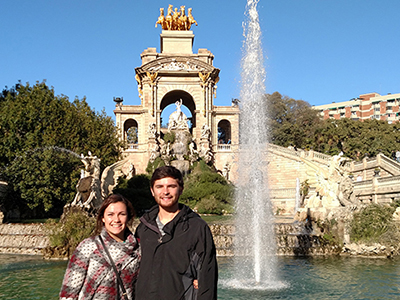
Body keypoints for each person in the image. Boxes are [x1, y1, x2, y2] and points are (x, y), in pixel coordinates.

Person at [135, 166, 218, 300]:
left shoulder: (197, 227)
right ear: (152, 191)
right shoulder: (144, 228)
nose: (165, 192)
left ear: (180, 190)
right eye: (159, 186)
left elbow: (207, 277)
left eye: (171, 186)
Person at [60, 194, 141, 300]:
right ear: (103, 218)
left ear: (128, 217)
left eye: (122, 214)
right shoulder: (88, 246)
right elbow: (69, 291)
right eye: (110, 214)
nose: (116, 219)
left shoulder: (138, 249)